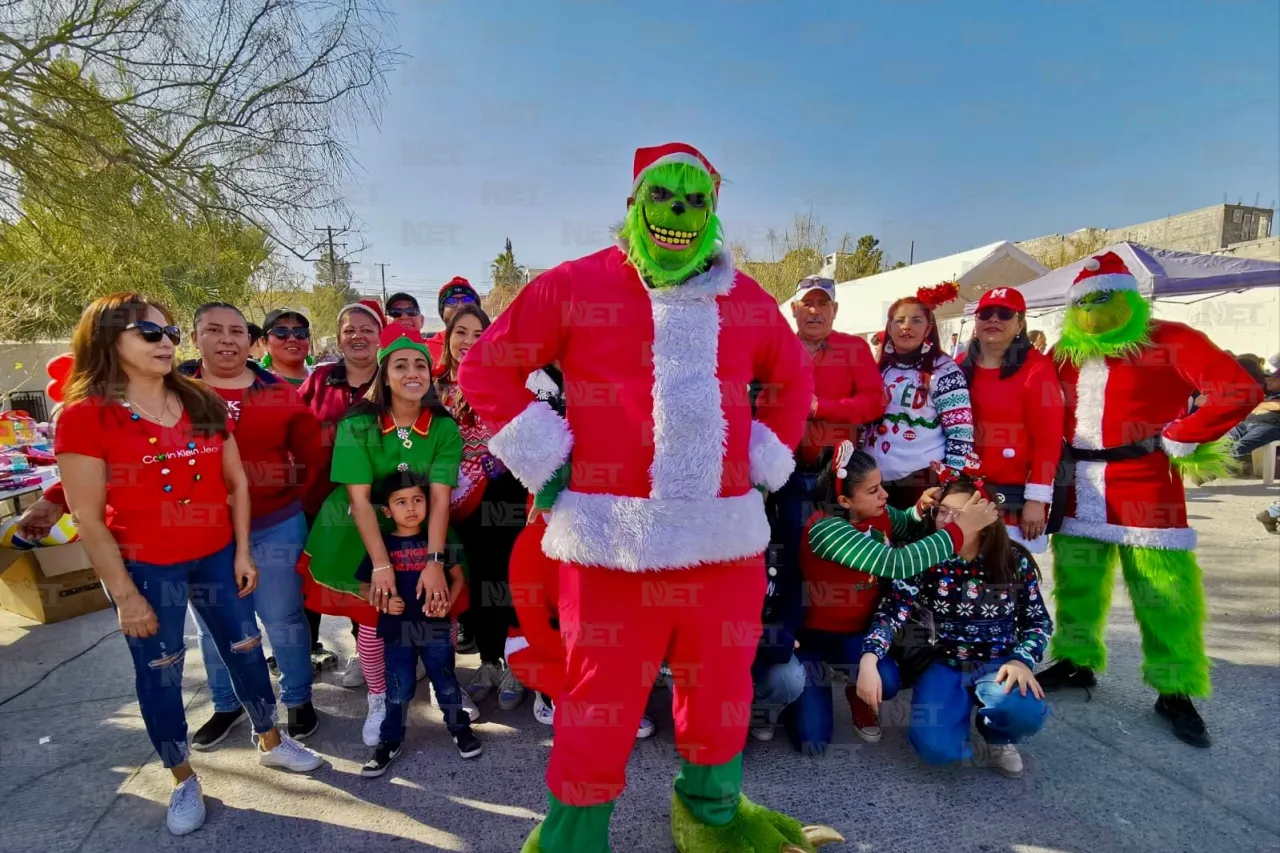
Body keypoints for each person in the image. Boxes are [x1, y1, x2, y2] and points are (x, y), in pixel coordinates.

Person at [459, 142, 835, 853]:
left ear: (714, 215)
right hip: (610, 543)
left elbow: (792, 380)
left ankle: (712, 816)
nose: (679, 215)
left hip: (722, 544)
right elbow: (487, 367)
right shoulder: (574, 284)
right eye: (664, 197)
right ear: (635, 204)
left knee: (722, 688)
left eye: (696, 202)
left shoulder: (747, 299)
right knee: (599, 700)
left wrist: (760, 460)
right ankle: (573, 836)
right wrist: (547, 456)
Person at [53, 293, 322, 837]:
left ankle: (270, 739)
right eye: (150, 333)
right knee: (160, 671)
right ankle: (182, 777)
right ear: (107, 339)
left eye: (170, 332)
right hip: (147, 569)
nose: (166, 343)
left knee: (246, 649)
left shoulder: (198, 399)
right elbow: (89, 518)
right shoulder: (83, 417)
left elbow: (236, 482)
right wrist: (126, 596)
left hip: (217, 555)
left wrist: (243, 550)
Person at [1038, 251, 1261, 748]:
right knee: (1076, 583)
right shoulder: (1064, 352)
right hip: (1077, 486)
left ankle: (1175, 688)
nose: (1094, 311)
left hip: (1146, 482)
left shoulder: (1172, 339)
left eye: (1105, 298)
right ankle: (1076, 661)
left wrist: (1187, 431)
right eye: (1085, 301)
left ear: (1128, 297)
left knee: (1163, 593)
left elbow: (1239, 388)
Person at [297, 324, 465, 748]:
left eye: (421, 365)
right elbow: (358, 500)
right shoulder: (358, 423)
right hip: (361, 530)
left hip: (423, 525)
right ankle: (379, 697)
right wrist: (381, 565)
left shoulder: (444, 426)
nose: (413, 372)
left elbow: (441, 499)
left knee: (439, 608)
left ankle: (444, 690)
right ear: (383, 374)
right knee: (374, 621)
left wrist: (433, 561)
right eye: (401, 365)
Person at [174, 302, 324, 747]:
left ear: (250, 340)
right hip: (204, 533)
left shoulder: (277, 392)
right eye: (214, 330)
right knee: (215, 625)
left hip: (275, 523)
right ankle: (226, 703)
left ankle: (298, 698)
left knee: (283, 618)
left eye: (237, 331)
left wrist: (292, 496)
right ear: (195, 337)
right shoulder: (174, 392)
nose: (227, 339)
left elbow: (314, 453)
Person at [792, 443, 1000, 755]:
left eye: (882, 486)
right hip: (810, 639)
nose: (884, 495)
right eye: (874, 490)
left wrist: (919, 509)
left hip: (856, 632)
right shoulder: (825, 528)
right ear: (845, 501)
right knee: (813, 742)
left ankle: (856, 688)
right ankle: (792, 691)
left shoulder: (876, 510)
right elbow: (896, 563)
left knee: (888, 681)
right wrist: (960, 530)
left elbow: (901, 522)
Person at [859, 471, 1052, 778]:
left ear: (985, 520)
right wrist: (869, 659)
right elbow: (891, 611)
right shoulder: (926, 556)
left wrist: (1022, 660)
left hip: (999, 662)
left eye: (959, 515)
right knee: (938, 750)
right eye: (942, 512)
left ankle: (999, 736)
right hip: (944, 661)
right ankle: (954, 716)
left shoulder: (1013, 560)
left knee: (1022, 710)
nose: (947, 520)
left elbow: (1038, 621)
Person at [435, 304, 530, 710]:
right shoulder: (434, 386)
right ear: (447, 336)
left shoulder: (505, 381)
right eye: (461, 332)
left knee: (506, 581)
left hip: (501, 495)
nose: (469, 342)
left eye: (479, 334)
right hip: (453, 502)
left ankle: (515, 664)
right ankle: (487, 661)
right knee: (474, 583)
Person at [357, 472, 482, 776]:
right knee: (398, 689)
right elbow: (364, 587)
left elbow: (457, 578)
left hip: (435, 631)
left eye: (417, 499)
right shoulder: (381, 548)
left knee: (446, 683)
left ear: (428, 503)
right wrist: (384, 602)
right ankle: (390, 740)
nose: (411, 507)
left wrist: (447, 605)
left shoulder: (436, 544)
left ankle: (459, 729)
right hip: (396, 632)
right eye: (401, 502)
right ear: (387, 511)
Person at [300, 299, 385, 681]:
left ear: (380, 336)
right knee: (316, 578)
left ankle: (366, 654)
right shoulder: (320, 379)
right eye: (350, 330)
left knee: (366, 579)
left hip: (375, 504)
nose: (358, 336)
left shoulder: (392, 377)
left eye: (367, 329)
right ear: (338, 338)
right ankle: (301, 662)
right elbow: (292, 423)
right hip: (320, 500)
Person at [961, 287, 1065, 553]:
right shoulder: (959, 364)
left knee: (1004, 583)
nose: (993, 320)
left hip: (1012, 496)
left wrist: (1036, 500)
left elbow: (1048, 441)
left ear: (1020, 323)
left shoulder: (1037, 369)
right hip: (963, 492)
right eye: (985, 313)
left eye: (1004, 314)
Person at [866, 282, 974, 509]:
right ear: (889, 326)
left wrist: (952, 486)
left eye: (916, 320)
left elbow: (960, 433)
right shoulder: (878, 369)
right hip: (873, 481)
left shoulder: (944, 370)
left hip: (921, 483)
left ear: (928, 329)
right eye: (899, 320)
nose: (906, 327)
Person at [261, 308, 312, 385]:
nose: (292, 339)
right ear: (264, 341)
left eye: (300, 332)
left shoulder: (325, 381)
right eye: (281, 332)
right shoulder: (256, 384)